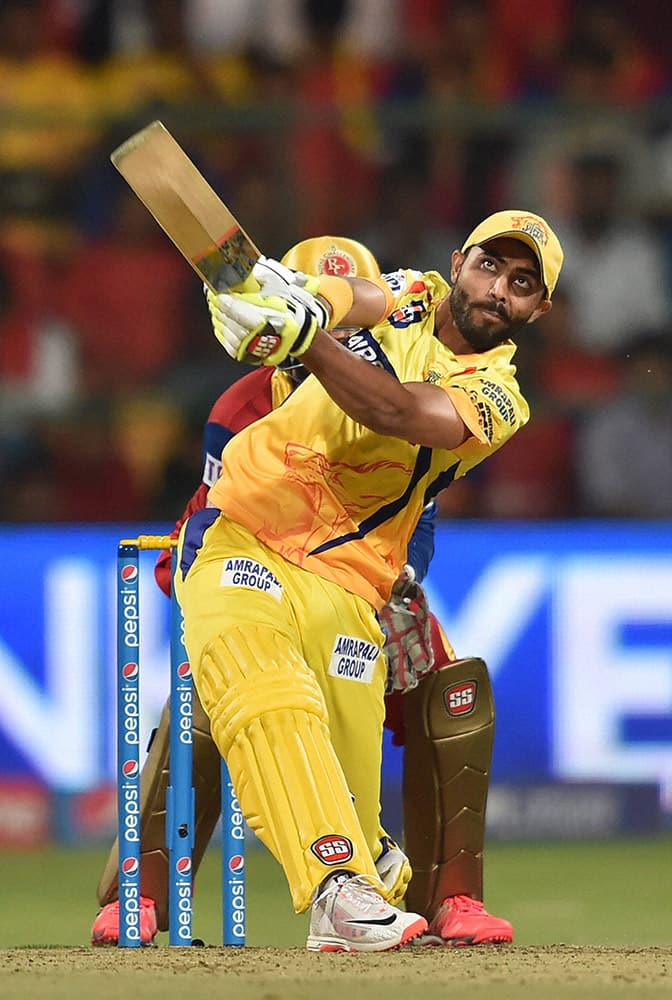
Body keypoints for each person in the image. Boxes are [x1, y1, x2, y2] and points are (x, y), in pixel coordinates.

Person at [103, 215, 563, 951]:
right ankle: (333, 885)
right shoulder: (416, 290)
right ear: (458, 261)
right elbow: (360, 298)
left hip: (350, 582)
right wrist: (293, 300)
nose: (497, 290)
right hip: (246, 530)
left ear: (537, 311)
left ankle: (369, 868)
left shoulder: (500, 397)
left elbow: (397, 409)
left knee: (350, 774)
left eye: (521, 285)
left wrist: (302, 338)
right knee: (264, 691)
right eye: (488, 266)